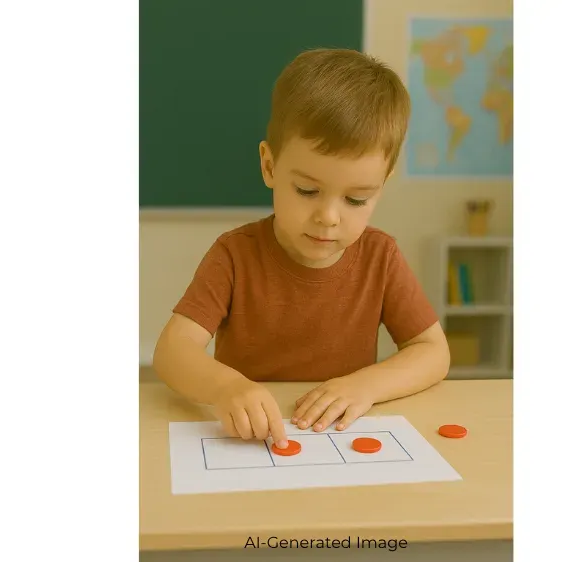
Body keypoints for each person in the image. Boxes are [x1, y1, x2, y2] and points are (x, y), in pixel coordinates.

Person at [152, 48, 450, 450]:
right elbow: (173, 350)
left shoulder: (381, 256)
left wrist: (367, 385)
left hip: (338, 440)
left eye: (357, 199)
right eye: (307, 191)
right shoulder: (234, 255)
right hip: (250, 442)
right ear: (270, 166)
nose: (328, 216)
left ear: (383, 182)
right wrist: (225, 388)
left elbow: (432, 352)